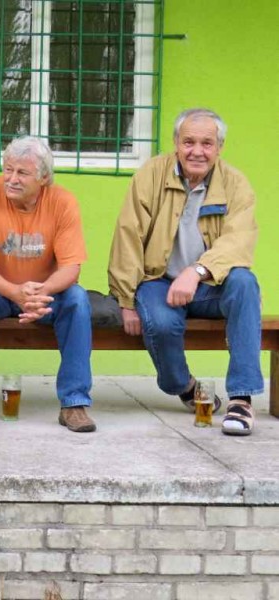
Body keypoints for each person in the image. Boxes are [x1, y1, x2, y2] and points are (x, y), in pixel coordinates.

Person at [108, 108, 262, 436]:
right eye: (188, 142)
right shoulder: (151, 174)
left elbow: (239, 240)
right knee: (161, 325)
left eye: (207, 143)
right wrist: (125, 300)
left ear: (219, 147)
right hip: (159, 280)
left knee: (245, 284)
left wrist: (197, 271)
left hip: (210, 284)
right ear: (176, 143)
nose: (197, 151)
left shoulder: (235, 183)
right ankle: (183, 385)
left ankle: (241, 398)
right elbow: (128, 235)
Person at [0, 136, 95, 434]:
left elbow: (71, 268)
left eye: (22, 173)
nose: (12, 179)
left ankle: (74, 403)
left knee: (78, 299)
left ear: (43, 178)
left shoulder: (63, 202)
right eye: (8, 169)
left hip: (42, 295)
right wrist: (15, 293)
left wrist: (41, 292)